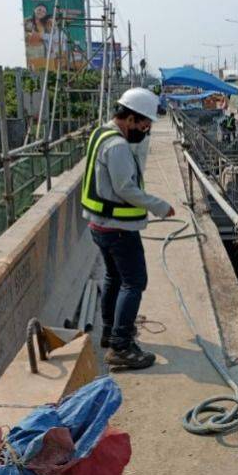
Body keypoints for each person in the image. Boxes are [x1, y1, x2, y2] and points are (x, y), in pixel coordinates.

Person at [81, 87, 175, 370]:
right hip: (118, 229)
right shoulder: (119, 146)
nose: (145, 131)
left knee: (114, 277)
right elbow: (126, 189)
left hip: (99, 225)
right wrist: (159, 205)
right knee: (135, 282)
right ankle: (121, 346)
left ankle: (110, 332)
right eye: (144, 125)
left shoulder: (101, 133)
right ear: (130, 118)